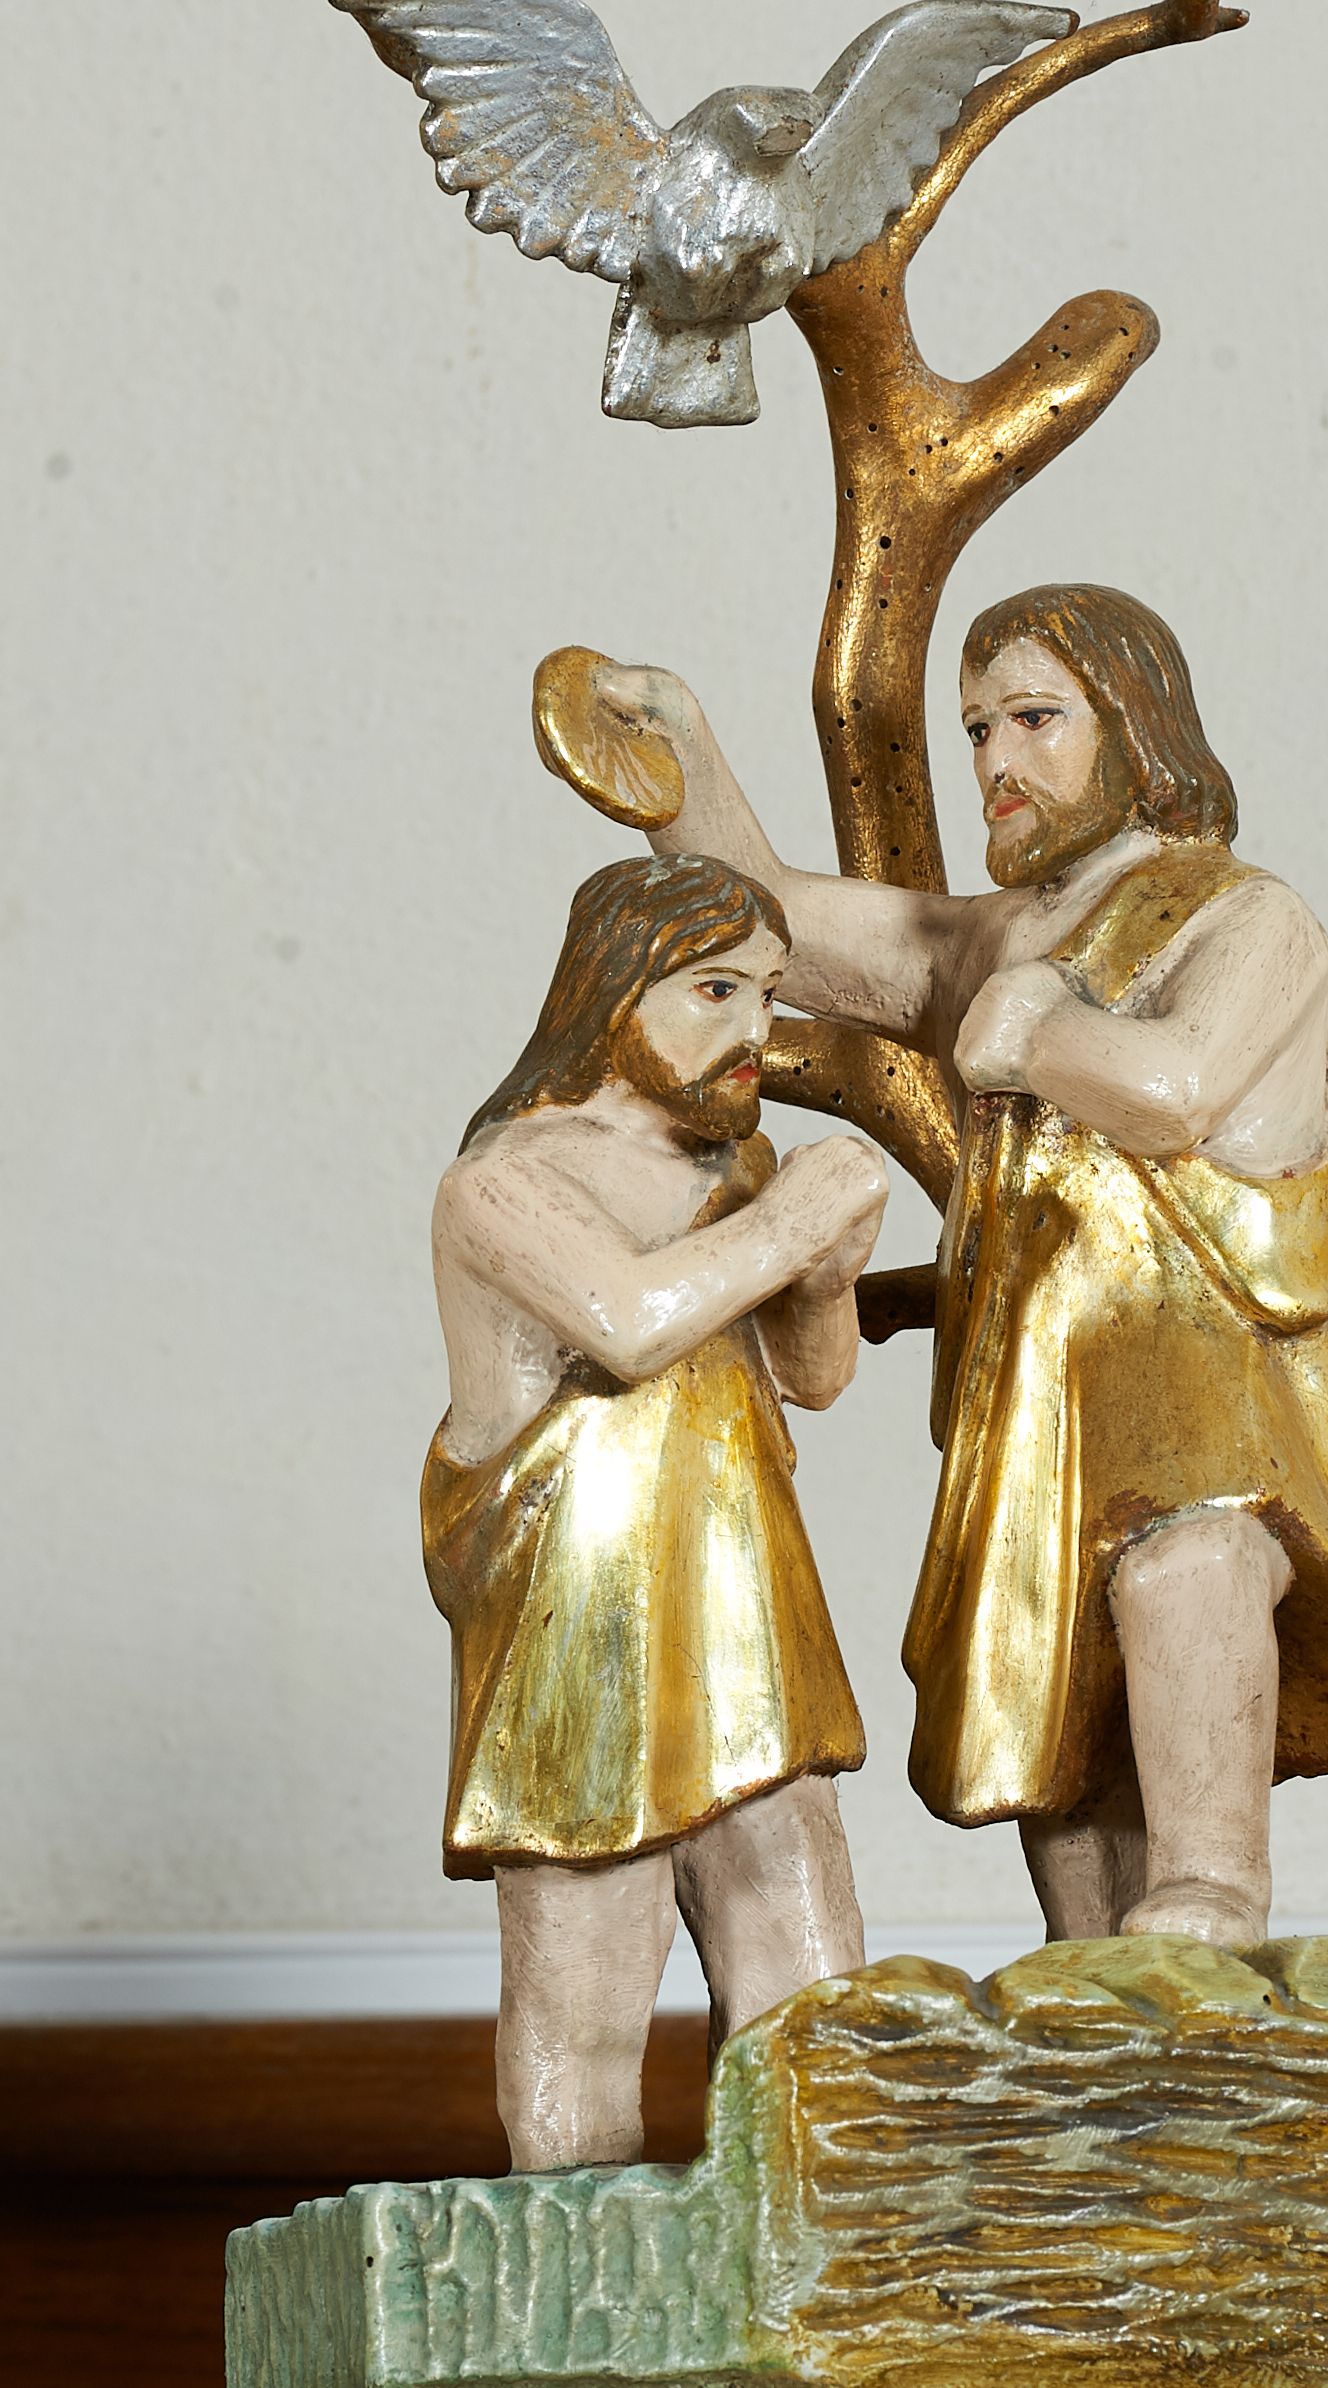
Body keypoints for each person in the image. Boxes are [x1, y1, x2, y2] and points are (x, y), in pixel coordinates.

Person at [591, 585, 1328, 1954]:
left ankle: (1212, 1894)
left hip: (1200, 1391)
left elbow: (1175, 1091)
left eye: (1035, 719)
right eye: (978, 729)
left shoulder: (1244, 920)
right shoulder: (996, 935)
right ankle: (1091, 1976)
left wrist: (1038, 1034)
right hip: (1039, 1401)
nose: (995, 759)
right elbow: (778, 924)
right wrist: (679, 753)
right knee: (1057, 1682)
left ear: (1134, 721)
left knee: (1187, 1574)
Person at [426, 852, 887, 2168]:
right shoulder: (505, 1183)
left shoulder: (737, 1173)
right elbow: (631, 1324)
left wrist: (825, 1277)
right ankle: (577, 2262)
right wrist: (794, 1223)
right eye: (716, 989)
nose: (756, 1029)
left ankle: (807, 2248)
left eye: (770, 994)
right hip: (579, 1633)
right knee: (583, 1986)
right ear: (614, 988)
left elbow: (811, 1378)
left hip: (743, 1608)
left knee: (807, 1977)